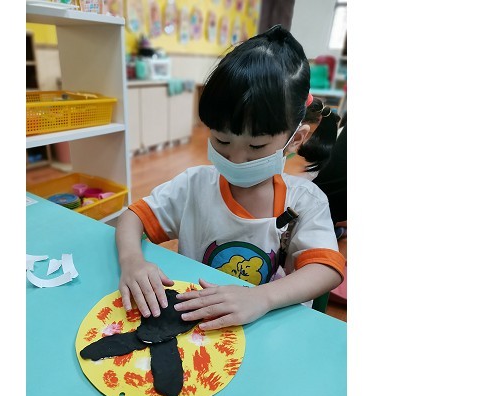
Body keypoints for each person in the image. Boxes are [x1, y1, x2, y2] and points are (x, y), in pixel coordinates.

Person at [115, 25, 346, 331]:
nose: (235, 159)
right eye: (221, 141)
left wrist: (262, 297)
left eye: (256, 147)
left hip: (261, 325)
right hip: (195, 325)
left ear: (295, 139)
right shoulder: (194, 186)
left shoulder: (304, 200)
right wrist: (132, 260)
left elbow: (326, 269)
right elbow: (132, 218)